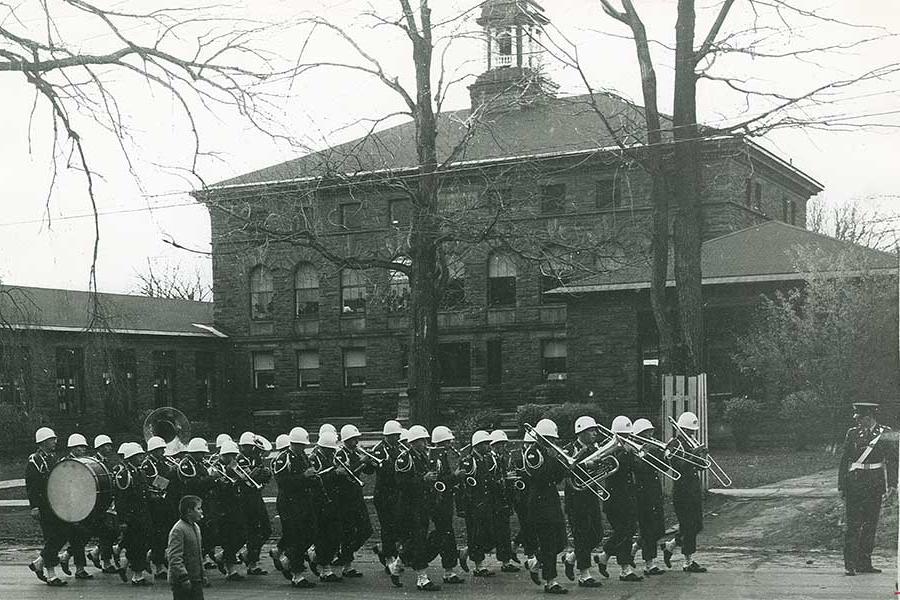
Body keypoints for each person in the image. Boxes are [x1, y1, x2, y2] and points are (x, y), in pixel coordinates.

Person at [838, 402, 897, 576]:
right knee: (853, 524)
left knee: (871, 524)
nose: (857, 420)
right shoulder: (852, 433)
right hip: (854, 483)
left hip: (875, 483)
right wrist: (841, 485)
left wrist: (893, 484)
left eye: (859, 417)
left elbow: (892, 460)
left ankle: (864, 562)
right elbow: (844, 460)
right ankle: (850, 564)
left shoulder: (885, 433)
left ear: (869, 417)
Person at [522, 419, 568, 594]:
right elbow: (538, 477)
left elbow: (557, 478)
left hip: (552, 501)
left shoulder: (549, 453)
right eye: (550, 439)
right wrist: (552, 459)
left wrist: (562, 463)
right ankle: (551, 581)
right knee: (549, 543)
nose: (554, 442)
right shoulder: (532, 453)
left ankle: (536, 562)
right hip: (540, 504)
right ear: (542, 438)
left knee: (560, 542)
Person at [593, 416, 642, 582]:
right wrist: (627, 454)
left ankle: (605, 557)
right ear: (615, 434)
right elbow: (616, 470)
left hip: (627, 498)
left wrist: (636, 455)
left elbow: (634, 469)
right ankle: (624, 569)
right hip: (615, 500)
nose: (627, 438)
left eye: (628, 435)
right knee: (624, 532)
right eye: (623, 435)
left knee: (628, 531)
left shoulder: (626, 450)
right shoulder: (608, 450)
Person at [394, 424, 441, 590]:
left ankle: (397, 565)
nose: (425, 443)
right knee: (418, 540)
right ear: (412, 442)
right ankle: (422, 578)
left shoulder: (423, 457)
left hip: (422, 504)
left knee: (415, 540)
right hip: (409, 506)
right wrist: (423, 479)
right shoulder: (404, 458)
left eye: (425, 440)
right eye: (421, 440)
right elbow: (400, 483)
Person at [662, 411, 708, 573]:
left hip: (693, 488)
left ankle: (670, 546)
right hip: (682, 490)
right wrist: (694, 455)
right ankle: (688, 561)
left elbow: (702, 467)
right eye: (688, 431)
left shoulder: (692, 444)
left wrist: (702, 456)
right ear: (680, 429)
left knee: (696, 525)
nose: (692, 434)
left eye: (693, 431)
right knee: (688, 525)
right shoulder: (674, 444)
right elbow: (677, 466)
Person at [561, 416, 604, 587]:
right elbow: (565, 470)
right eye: (591, 430)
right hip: (576, 497)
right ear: (581, 432)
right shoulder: (569, 449)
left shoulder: (596, 448)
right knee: (582, 534)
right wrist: (587, 466)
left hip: (590, 495)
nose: (595, 433)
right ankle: (584, 574)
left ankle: (571, 558)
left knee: (597, 534)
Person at [26, 426, 69, 586]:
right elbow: (32, 485)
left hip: (56, 504)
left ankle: (39, 562)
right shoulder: (35, 460)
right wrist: (34, 506)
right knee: (52, 537)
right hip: (44, 505)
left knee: (62, 534)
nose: (55, 442)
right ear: (43, 442)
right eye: (52, 439)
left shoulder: (52, 458)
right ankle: (51, 575)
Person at [334, 424, 374, 578]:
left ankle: (344, 556)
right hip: (345, 498)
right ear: (346, 440)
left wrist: (369, 462)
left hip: (357, 496)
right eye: (353, 439)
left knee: (366, 529)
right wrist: (361, 462)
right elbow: (348, 474)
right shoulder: (340, 454)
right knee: (348, 531)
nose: (356, 442)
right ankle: (347, 564)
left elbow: (368, 472)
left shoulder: (356, 453)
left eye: (356, 439)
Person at [427, 425, 465, 584]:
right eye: (448, 442)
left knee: (444, 534)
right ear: (442, 442)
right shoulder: (436, 457)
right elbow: (438, 482)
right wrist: (455, 477)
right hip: (438, 502)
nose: (451, 445)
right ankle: (447, 570)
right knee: (445, 535)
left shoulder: (442, 456)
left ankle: (447, 568)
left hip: (445, 501)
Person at [629, 418, 667, 576]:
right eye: (647, 433)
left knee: (659, 529)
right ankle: (649, 564)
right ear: (639, 435)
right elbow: (640, 467)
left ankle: (636, 547)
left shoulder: (651, 448)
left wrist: (664, 454)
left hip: (654, 492)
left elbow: (664, 467)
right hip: (642, 493)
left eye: (651, 432)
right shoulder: (635, 449)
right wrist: (650, 453)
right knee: (649, 527)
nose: (651, 435)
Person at [458, 430, 498, 577]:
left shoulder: (484, 459)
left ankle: (468, 551)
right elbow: (465, 484)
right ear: (478, 445)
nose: (489, 447)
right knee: (476, 533)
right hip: (474, 504)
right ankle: (478, 565)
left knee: (486, 534)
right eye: (486, 444)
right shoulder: (469, 461)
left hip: (485, 502)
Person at [236, 431, 272, 576]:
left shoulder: (255, 459)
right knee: (252, 531)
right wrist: (260, 472)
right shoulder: (239, 459)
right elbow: (247, 478)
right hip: (244, 499)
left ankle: (249, 555)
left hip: (255, 497)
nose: (255, 450)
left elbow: (258, 477)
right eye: (251, 447)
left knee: (265, 529)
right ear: (243, 447)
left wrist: (264, 475)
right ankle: (252, 562)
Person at [371, 419, 404, 574]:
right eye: (395, 435)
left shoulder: (398, 447)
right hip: (384, 493)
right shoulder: (379, 449)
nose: (398, 438)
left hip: (396, 493)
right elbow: (379, 470)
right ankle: (389, 557)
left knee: (398, 525)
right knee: (387, 527)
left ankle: (384, 550)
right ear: (388, 435)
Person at [488, 430, 520, 573]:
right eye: (500, 444)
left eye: (504, 444)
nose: (503, 447)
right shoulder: (489, 459)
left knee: (504, 531)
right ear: (493, 445)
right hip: (493, 500)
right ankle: (470, 552)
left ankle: (505, 561)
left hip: (503, 499)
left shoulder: (502, 458)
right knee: (493, 531)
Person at [167, 495, 207, 600]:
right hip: (182, 581)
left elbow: (198, 554)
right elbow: (174, 557)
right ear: (189, 511)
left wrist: (202, 574)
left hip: (195, 578)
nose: (201, 511)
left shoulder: (196, 527)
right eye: (198, 508)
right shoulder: (178, 530)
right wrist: (183, 578)